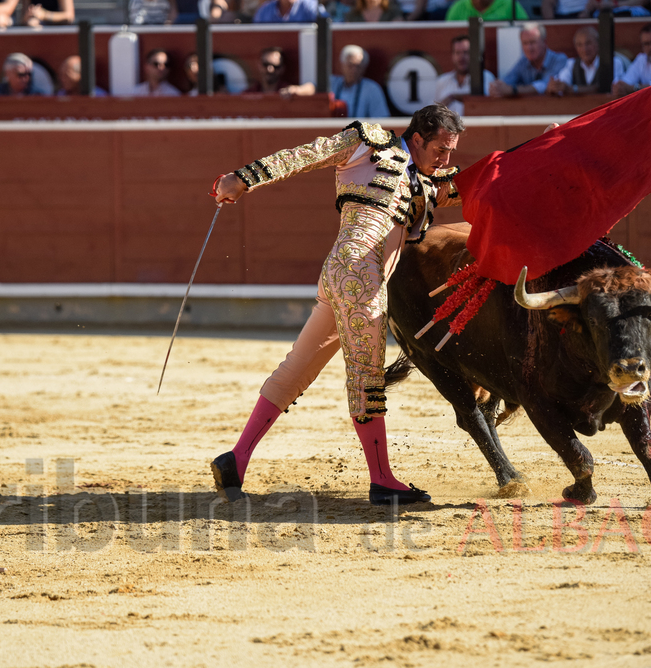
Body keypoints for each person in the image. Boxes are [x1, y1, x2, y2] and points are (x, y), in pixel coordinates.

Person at [209, 104, 465, 507]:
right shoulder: (368, 143)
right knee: (367, 378)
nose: (446, 159)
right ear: (417, 138)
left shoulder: (429, 182)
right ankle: (382, 480)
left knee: (297, 368)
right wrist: (243, 178)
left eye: (451, 152)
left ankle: (235, 460)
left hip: (339, 274)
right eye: (441, 149)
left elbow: (486, 181)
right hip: (360, 276)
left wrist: (540, 149)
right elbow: (305, 155)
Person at [546, 25, 629, 94]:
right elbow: (562, 84)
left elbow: (611, 89)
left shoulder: (613, 62)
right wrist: (555, 86)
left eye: (588, 43)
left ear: (598, 44)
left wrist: (573, 90)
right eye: (579, 45)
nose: (584, 49)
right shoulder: (571, 63)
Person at [489, 22, 566, 96]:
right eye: (525, 43)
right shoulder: (523, 62)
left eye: (533, 42)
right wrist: (496, 87)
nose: (529, 48)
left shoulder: (559, 60)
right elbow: (507, 82)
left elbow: (545, 85)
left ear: (544, 42)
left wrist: (513, 90)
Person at [433, 34, 496, 115]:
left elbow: (484, 101)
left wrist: (453, 97)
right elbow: (431, 112)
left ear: (474, 55)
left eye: (466, 52)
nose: (461, 57)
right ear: (452, 56)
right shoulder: (442, 81)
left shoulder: (485, 76)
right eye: (457, 53)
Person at [328, 44, 389, 115]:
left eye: (358, 66)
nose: (354, 70)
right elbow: (314, 88)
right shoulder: (331, 83)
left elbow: (381, 119)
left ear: (364, 68)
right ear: (342, 65)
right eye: (350, 65)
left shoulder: (372, 89)